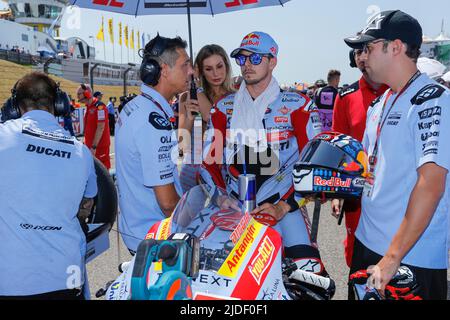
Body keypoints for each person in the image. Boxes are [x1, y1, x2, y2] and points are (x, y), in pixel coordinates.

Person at [201, 32, 329, 279]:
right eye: (242, 58)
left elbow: (314, 165)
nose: (247, 64)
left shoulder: (299, 105)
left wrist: (283, 206)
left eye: (256, 58)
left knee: (309, 276)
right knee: (213, 278)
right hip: (234, 208)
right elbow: (209, 164)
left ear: (273, 61)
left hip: (283, 207)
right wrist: (219, 199)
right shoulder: (221, 109)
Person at [344, 10, 449, 300]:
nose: (362, 56)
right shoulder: (379, 103)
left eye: (368, 47)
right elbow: (369, 168)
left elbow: (431, 185)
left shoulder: (435, 100)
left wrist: (392, 257)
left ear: (396, 47)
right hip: (367, 245)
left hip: (408, 256)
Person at [0, 72, 97, 299]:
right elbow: (88, 203)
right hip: (66, 278)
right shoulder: (81, 152)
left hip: (12, 281)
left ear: (14, 106)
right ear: (60, 104)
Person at [115, 35, 194, 253]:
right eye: (185, 65)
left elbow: (173, 154)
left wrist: (185, 117)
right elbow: (168, 203)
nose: (191, 71)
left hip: (140, 235)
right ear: (163, 70)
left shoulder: (136, 107)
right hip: (157, 242)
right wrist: (198, 219)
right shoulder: (152, 122)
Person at [331, 48, 388, 268]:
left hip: (392, 188)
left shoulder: (396, 91)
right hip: (357, 189)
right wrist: (336, 192)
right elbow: (337, 145)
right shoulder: (345, 96)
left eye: (367, 51)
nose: (362, 58)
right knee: (355, 252)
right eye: (357, 54)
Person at [178, 44, 235, 192]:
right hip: (194, 170)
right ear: (200, 71)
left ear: (227, 67)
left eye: (219, 66)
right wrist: (194, 88)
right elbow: (181, 144)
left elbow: (212, 117)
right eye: (208, 69)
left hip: (228, 171)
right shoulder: (188, 96)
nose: (216, 73)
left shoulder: (238, 97)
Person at [77, 84, 111, 170]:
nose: (77, 96)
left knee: (102, 171)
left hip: (99, 147)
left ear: (87, 93)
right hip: (90, 146)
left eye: (79, 93)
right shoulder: (88, 107)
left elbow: (100, 127)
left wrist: (94, 147)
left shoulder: (100, 107)